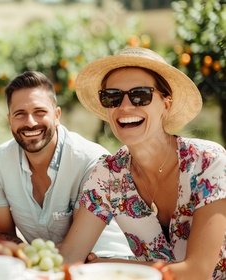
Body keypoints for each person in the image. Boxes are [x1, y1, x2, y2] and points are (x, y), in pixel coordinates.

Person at [58, 47, 226, 279]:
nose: (125, 106)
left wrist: (113, 265)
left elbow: (197, 272)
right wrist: (12, 253)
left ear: (165, 104)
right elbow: (70, 254)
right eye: (112, 97)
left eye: (140, 95)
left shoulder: (208, 162)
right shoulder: (107, 174)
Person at [0, 71, 133, 259]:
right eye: (20, 114)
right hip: (52, 267)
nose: (30, 122)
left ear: (57, 115)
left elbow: (79, 253)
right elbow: (2, 235)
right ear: (10, 120)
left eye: (40, 112)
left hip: (107, 264)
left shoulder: (92, 161)